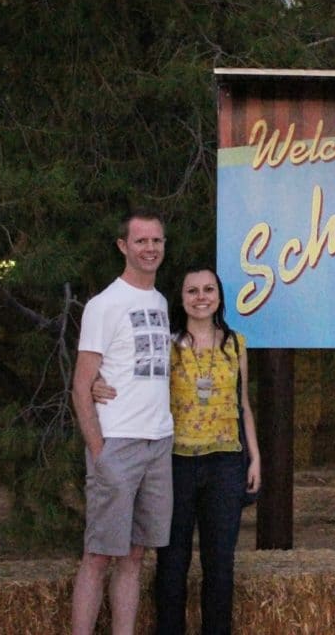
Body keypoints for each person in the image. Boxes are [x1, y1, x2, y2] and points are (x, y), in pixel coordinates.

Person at [94, 265, 261, 635]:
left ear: (219, 296)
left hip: (225, 463)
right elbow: (130, 380)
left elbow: (243, 403)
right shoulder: (167, 346)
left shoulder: (236, 344)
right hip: (175, 463)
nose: (201, 297)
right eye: (192, 291)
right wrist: (96, 383)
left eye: (208, 290)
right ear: (181, 298)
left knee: (220, 564)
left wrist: (255, 457)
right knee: (173, 563)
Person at [71, 209, 175, 635]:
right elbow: (81, 387)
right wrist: (100, 452)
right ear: (123, 246)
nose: (150, 249)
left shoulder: (161, 301)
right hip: (117, 444)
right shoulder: (103, 305)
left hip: (158, 444)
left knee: (134, 557)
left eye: (157, 241)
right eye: (141, 241)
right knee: (98, 556)